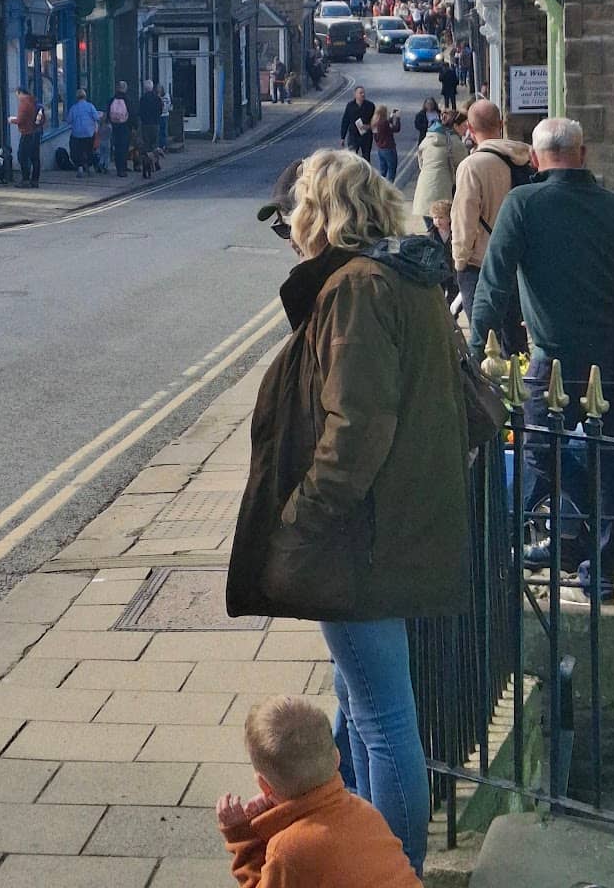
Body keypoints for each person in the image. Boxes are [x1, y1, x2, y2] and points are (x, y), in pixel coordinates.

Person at [227, 151, 470, 878]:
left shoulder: (357, 288)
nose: (290, 232)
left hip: (362, 534)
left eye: (293, 215)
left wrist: (300, 518)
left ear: (320, 212)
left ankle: (395, 869)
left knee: (383, 718)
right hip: (396, 522)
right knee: (359, 700)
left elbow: (357, 429)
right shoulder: (403, 276)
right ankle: (354, 845)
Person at [470, 116, 614, 598]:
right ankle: (605, 556)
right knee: (613, 456)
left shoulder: (523, 205)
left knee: (539, 449)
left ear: (534, 159)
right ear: (583, 154)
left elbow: (493, 284)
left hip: (554, 362)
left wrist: (473, 349)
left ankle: (593, 541)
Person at [215, 696, 420, 888]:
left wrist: (242, 839)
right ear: (337, 758)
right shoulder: (366, 812)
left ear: (264, 785)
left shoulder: (287, 851)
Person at [450, 100, 530, 353]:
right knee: (516, 341)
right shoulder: (527, 159)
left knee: (486, 344)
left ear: (470, 129)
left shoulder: (472, 166)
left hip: (481, 264)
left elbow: (464, 218)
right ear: (501, 124)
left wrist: (460, 261)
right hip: (518, 262)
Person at [412, 109, 466, 224]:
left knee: (432, 228)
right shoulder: (455, 142)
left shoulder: (428, 138)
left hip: (423, 192)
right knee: (444, 230)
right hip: (443, 194)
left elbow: (421, 163)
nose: (466, 129)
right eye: (464, 125)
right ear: (455, 126)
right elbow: (464, 169)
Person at [10, 88, 44, 189]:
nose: (18, 98)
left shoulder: (24, 103)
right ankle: (35, 180)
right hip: (36, 132)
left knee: (22, 156)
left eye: (17, 95)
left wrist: (12, 120)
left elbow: (21, 119)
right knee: (35, 157)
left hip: (27, 132)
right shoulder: (34, 102)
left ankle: (25, 180)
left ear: (20, 93)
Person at [68, 88, 101, 177]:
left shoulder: (73, 108)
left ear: (77, 98)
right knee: (89, 150)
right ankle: (90, 167)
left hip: (77, 134)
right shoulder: (90, 106)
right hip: (88, 133)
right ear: (85, 97)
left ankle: (80, 168)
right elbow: (96, 117)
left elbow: (69, 120)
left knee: (78, 151)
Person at [338, 87, 375, 160]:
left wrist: (369, 126)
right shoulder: (350, 106)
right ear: (355, 94)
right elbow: (345, 121)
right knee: (352, 158)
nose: (363, 94)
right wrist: (342, 137)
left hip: (366, 136)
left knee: (366, 158)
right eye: (360, 93)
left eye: (363, 93)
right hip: (353, 136)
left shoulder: (370, 105)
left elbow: (375, 121)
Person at [369, 104, 401, 184]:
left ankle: (380, 186)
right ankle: (389, 187)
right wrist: (397, 118)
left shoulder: (374, 122)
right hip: (389, 148)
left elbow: (387, 128)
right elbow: (396, 129)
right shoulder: (384, 123)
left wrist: (391, 117)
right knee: (392, 169)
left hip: (380, 149)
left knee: (383, 171)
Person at [107, 82, 132, 175]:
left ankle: (119, 167)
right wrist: (134, 126)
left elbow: (108, 112)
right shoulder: (127, 99)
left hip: (115, 126)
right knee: (124, 147)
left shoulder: (112, 99)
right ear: (125, 88)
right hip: (125, 126)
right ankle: (123, 168)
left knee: (117, 147)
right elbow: (131, 113)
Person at [138, 79, 161, 161]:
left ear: (145, 88)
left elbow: (140, 111)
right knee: (155, 144)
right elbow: (160, 111)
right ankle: (156, 161)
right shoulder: (157, 98)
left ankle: (147, 161)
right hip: (155, 123)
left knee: (146, 144)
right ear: (152, 87)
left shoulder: (142, 99)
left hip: (145, 124)